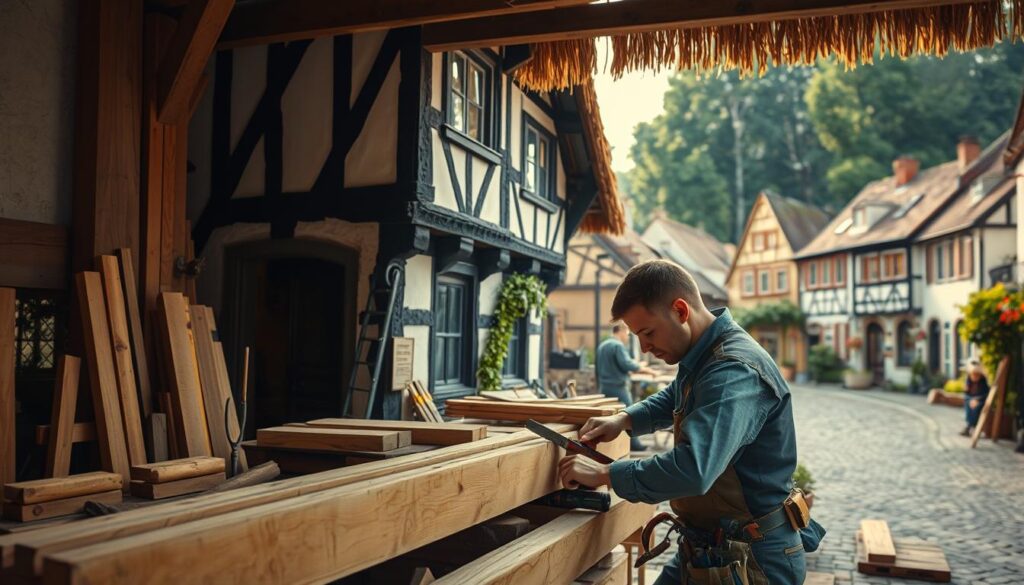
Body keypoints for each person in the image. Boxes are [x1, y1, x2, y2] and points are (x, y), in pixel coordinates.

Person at [557, 260, 824, 585]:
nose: (644, 348)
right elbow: (675, 395)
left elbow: (693, 470)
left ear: (681, 311)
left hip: (751, 559)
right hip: (706, 546)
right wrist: (625, 419)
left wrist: (604, 474)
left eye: (648, 332)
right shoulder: (703, 354)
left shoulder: (732, 372)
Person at [596, 324, 657, 451]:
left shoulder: (603, 345)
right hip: (618, 387)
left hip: (604, 387)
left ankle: (608, 446)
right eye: (628, 334)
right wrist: (646, 369)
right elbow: (626, 364)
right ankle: (634, 445)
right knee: (630, 414)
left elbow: (606, 367)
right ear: (621, 331)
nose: (627, 337)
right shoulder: (617, 346)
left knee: (608, 416)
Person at [962, 361, 989, 437]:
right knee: (968, 404)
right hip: (970, 399)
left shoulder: (983, 382)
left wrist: (976, 399)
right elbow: (966, 394)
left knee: (976, 407)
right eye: (973, 375)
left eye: (977, 375)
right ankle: (970, 425)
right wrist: (966, 391)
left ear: (980, 375)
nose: (975, 377)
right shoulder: (968, 380)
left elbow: (985, 394)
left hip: (980, 399)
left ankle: (971, 426)